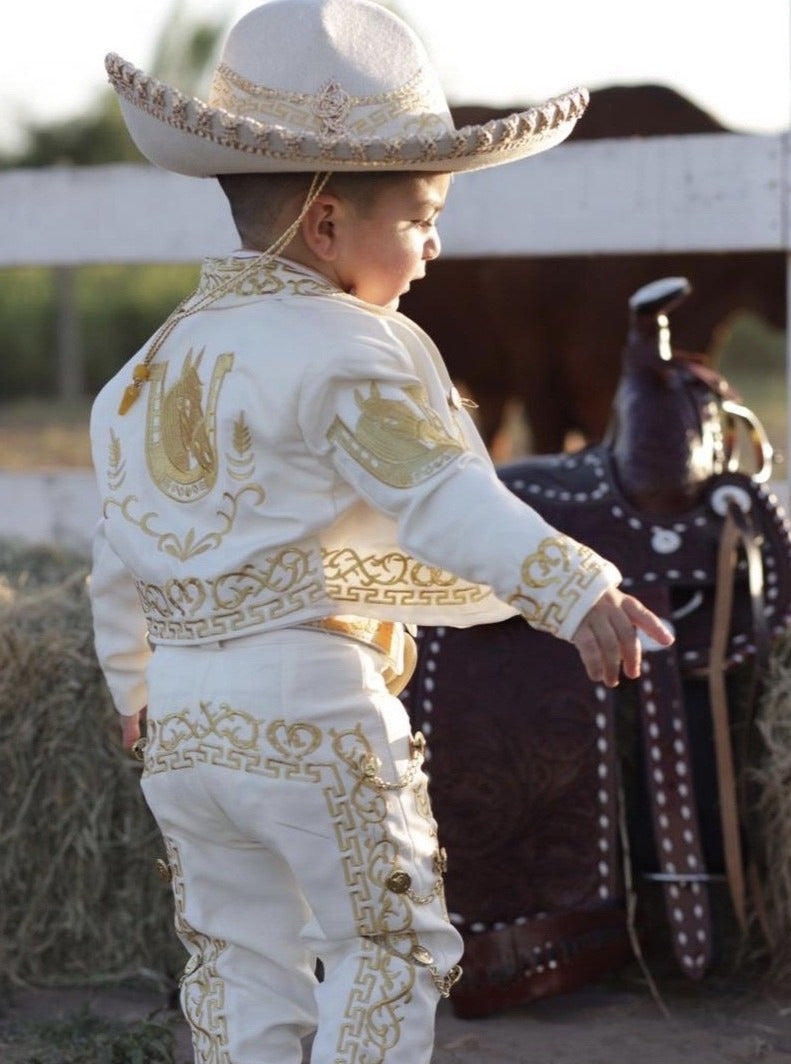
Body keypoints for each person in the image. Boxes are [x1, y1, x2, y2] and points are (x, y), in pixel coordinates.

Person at [90, 1, 673, 1061]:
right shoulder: (349, 349)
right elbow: (441, 492)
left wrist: (133, 683)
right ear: (325, 225)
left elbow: (118, 551)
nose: (434, 247)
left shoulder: (137, 378)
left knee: (234, 956)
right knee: (388, 943)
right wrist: (572, 584)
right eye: (418, 216)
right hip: (310, 708)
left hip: (182, 724)